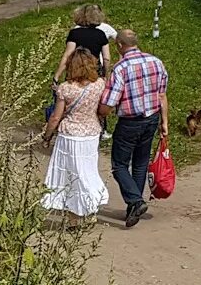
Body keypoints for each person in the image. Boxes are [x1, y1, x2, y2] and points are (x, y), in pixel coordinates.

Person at [99, 28, 168, 228]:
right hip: (152, 118)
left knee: (119, 165)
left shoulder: (121, 68)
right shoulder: (156, 62)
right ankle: (133, 207)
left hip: (129, 122)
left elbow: (110, 102)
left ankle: (135, 201)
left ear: (119, 45)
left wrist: (100, 112)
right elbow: (162, 95)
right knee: (140, 163)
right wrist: (164, 122)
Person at [39, 50, 110, 225]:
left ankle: (74, 216)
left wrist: (47, 136)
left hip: (70, 136)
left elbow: (56, 117)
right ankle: (90, 208)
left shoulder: (65, 88)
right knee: (88, 171)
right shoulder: (100, 84)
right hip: (91, 134)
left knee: (71, 175)